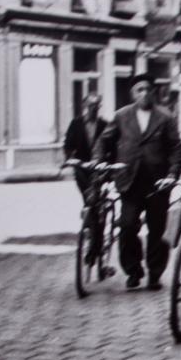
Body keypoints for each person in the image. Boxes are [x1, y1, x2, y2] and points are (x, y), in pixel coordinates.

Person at [95, 74, 181, 290]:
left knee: (157, 230)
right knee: (126, 226)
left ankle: (155, 273)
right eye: (139, 89)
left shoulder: (165, 117)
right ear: (133, 93)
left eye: (148, 89)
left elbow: (176, 149)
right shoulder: (121, 116)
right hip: (129, 181)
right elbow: (104, 140)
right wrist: (100, 162)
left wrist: (172, 175)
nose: (144, 93)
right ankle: (133, 270)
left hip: (157, 183)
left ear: (154, 92)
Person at [64, 93, 107, 263]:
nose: (93, 109)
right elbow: (68, 145)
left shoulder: (104, 124)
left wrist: (107, 163)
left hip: (99, 171)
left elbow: (111, 144)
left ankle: (94, 248)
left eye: (96, 106)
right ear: (84, 106)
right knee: (91, 204)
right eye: (90, 106)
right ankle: (94, 240)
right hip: (82, 170)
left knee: (95, 207)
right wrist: (70, 159)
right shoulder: (76, 124)